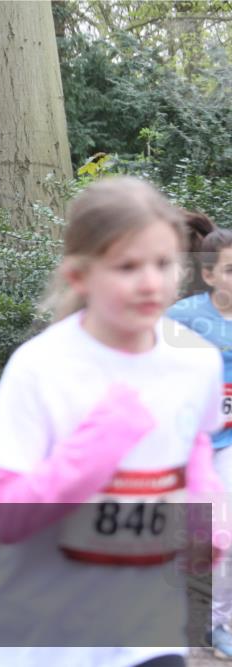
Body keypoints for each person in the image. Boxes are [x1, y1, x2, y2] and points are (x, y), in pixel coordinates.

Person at [0, 177, 224, 666]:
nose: (151, 282)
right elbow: (7, 516)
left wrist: (205, 515)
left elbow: (194, 445)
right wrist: (96, 449)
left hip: (149, 635)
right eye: (127, 266)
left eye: (164, 263)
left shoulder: (197, 361)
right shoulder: (41, 366)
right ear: (80, 276)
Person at [167, 224, 232, 658]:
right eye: (230, 271)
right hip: (184, 448)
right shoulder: (182, 320)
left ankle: (222, 625)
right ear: (209, 275)